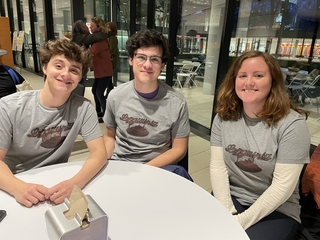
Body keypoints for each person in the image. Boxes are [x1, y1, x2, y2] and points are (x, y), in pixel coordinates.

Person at [210, 51, 310, 239]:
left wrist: (240, 221)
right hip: (232, 197)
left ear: (273, 81)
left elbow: (282, 187)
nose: (249, 82)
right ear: (234, 81)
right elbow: (218, 166)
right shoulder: (223, 116)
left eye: (258, 75)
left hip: (277, 209)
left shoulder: (292, 125)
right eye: (242, 76)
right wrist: (225, 209)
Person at [0, 39, 108, 208]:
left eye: (74, 70)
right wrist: (17, 188)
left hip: (59, 181)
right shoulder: (9, 107)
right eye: (58, 66)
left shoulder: (83, 107)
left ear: (80, 77)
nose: (65, 74)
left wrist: (75, 182)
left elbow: (99, 152)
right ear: (45, 67)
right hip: (19, 181)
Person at [103, 29, 191, 180]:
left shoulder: (177, 102)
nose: (147, 65)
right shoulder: (116, 96)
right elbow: (110, 136)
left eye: (155, 59)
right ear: (131, 59)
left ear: (162, 65)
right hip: (121, 164)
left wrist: (144, 170)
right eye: (141, 57)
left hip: (159, 168)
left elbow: (179, 149)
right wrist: (102, 161)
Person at [90, 17, 113, 121]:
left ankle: (106, 114)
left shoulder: (100, 42)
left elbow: (90, 53)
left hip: (104, 72)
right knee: (95, 90)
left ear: (99, 28)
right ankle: (99, 111)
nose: (90, 27)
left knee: (99, 91)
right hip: (101, 71)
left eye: (92, 26)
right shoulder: (98, 40)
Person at [106, 22, 119, 89]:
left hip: (111, 61)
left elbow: (112, 50)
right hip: (110, 61)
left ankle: (110, 93)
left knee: (108, 80)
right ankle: (109, 93)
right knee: (108, 80)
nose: (106, 29)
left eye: (108, 27)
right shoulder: (108, 37)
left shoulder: (112, 38)